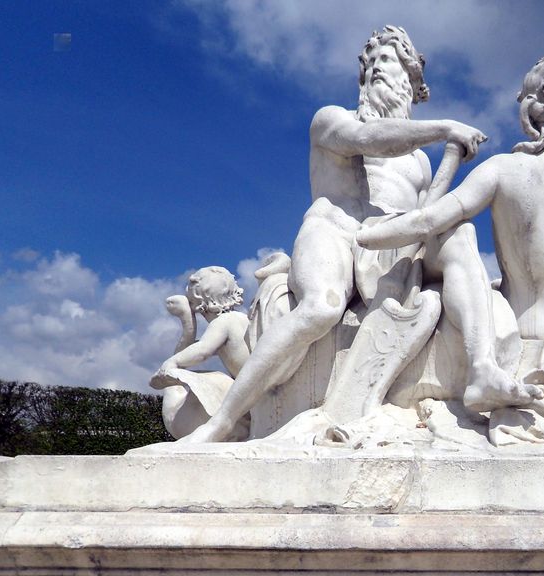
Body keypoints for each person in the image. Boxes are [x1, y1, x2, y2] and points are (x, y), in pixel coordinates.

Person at [180, 26, 520, 443]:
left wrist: (447, 163)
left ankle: (482, 368)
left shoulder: (418, 160)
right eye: (370, 63)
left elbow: (425, 215)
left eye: (387, 60)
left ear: (411, 80)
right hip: (336, 230)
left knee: (459, 233)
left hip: (391, 242)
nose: (376, 68)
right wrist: (446, 130)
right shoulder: (332, 119)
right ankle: (223, 421)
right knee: (322, 308)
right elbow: (366, 139)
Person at [357, 55, 544, 438]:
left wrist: (362, 237)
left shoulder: (501, 169)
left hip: (528, 321)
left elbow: (428, 222)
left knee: (455, 241)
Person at [151, 267, 251, 439]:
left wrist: (172, 362)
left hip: (248, 396)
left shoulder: (223, 323)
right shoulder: (242, 319)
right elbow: (194, 349)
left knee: (206, 380)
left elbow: (202, 350)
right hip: (252, 394)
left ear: (198, 303)